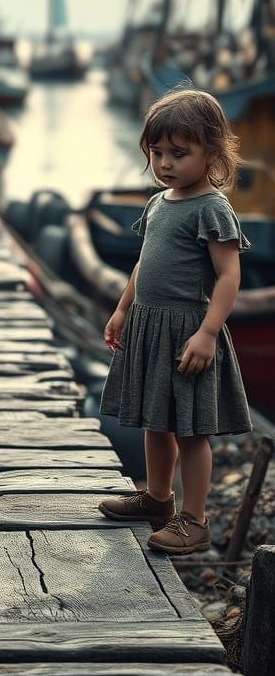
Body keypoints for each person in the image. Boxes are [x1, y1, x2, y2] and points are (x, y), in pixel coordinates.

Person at [98, 89, 252, 554]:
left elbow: (228, 276)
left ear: (212, 151)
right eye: (157, 153)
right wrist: (123, 309)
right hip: (148, 326)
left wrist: (207, 333)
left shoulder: (211, 208)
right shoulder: (160, 202)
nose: (165, 163)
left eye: (178, 154)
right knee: (155, 420)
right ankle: (157, 500)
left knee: (190, 429)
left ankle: (195, 519)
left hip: (186, 333)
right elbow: (145, 264)